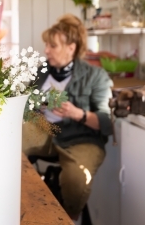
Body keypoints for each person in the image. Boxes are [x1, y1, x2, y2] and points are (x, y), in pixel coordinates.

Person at [23, 14, 113, 223]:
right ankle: (23, 209)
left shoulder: (96, 76)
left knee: (76, 179)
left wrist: (76, 113)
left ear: (71, 48)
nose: (46, 50)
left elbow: (106, 122)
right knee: (11, 144)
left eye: (52, 45)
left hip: (81, 138)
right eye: (46, 44)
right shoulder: (42, 72)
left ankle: (70, 218)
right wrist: (39, 106)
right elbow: (25, 106)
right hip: (44, 129)